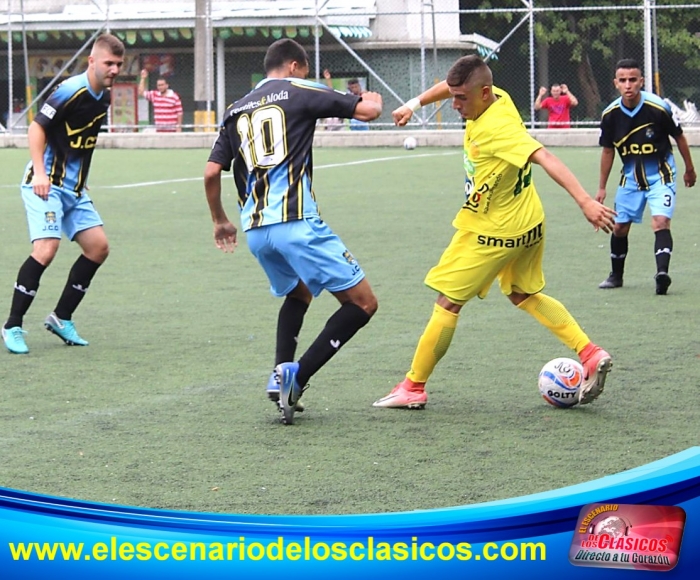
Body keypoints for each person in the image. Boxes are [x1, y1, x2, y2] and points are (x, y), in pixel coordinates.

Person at [373, 55, 616, 410]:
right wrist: (415, 103)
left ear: (483, 94)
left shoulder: (498, 128)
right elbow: (452, 84)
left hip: (493, 230)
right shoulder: (495, 94)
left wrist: (584, 201)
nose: (455, 105)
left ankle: (413, 387)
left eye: (461, 100)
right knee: (522, 293)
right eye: (454, 97)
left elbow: (545, 156)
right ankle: (590, 353)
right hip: (528, 219)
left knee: (448, 302)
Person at [204, 39, 383, 425]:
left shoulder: (236, 109)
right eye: (305, 69)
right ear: (295, 65)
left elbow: (209, 172)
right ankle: (297, 375)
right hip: (296, 223)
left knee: (299, 292)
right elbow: (367, 111)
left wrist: (220, 220)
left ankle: (279, 370)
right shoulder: (301, 90)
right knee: (363, 303)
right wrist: (374, 98)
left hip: (256, 231)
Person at [2, 33, 125, 355]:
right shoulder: (71, 90)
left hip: (74, 189)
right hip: (45, 184)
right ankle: (12, 325)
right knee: (46, 248)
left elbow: (79, 143)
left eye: (118, 64)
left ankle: (61, 318)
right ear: (92, 62)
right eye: (108, 63)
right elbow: (36, 127)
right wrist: (41, 173)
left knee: (98, 248)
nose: (114, 69)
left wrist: (80, 180)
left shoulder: (104, 98)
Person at [596, 58, 696, 295]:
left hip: (661, 175)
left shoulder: (659, 107)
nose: (628, 85)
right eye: (623, 80)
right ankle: (616, 275)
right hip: (631, 178)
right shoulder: (610, 115)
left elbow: (679, 137)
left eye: (633, 80)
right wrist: (601, 187)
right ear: (616, 83)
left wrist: (689, 169)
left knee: (660, 221)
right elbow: (608, 150)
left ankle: (662, 275)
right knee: (620, 226)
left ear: (641, 81)